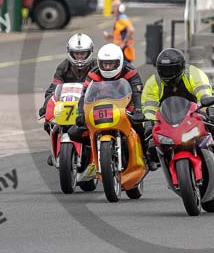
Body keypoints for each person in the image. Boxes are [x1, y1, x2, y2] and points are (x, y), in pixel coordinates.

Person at [141, 47, 214, 180]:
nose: (168, 73)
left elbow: (204, 93)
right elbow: (149, 107)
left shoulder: (193, 74)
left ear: (181, 67)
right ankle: (160, 161)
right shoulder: (153, 82)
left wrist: (210, 112)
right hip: (167, 119)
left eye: (172, 69)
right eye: (164, 70)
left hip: (194, 114)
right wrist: (148, 125)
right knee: (149, 142)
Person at [68, 44, 154, 170]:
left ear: (119, 62)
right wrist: (81, 113)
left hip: (125, 108)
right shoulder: (93, 73)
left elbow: (137, 93)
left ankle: (146, 155)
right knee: (74, 133)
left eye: (111, 64)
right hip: (100, 109)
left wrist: (138, 111)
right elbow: (84, 95)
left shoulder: (130, 71)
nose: (107, 67)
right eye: (104, 64)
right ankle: (89, 155)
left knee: (140, 127)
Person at [38, 32, 94, 166]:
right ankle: (56, 148)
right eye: (76, 53)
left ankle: (98, 149)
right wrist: (46, 105)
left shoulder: (96, 66)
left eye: (83, 53)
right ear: (70, 53)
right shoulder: (63, 67)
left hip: (89, 104)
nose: (79, 56)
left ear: (89, 52)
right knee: (48, 122)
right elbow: (53, 88)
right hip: (68, 103)